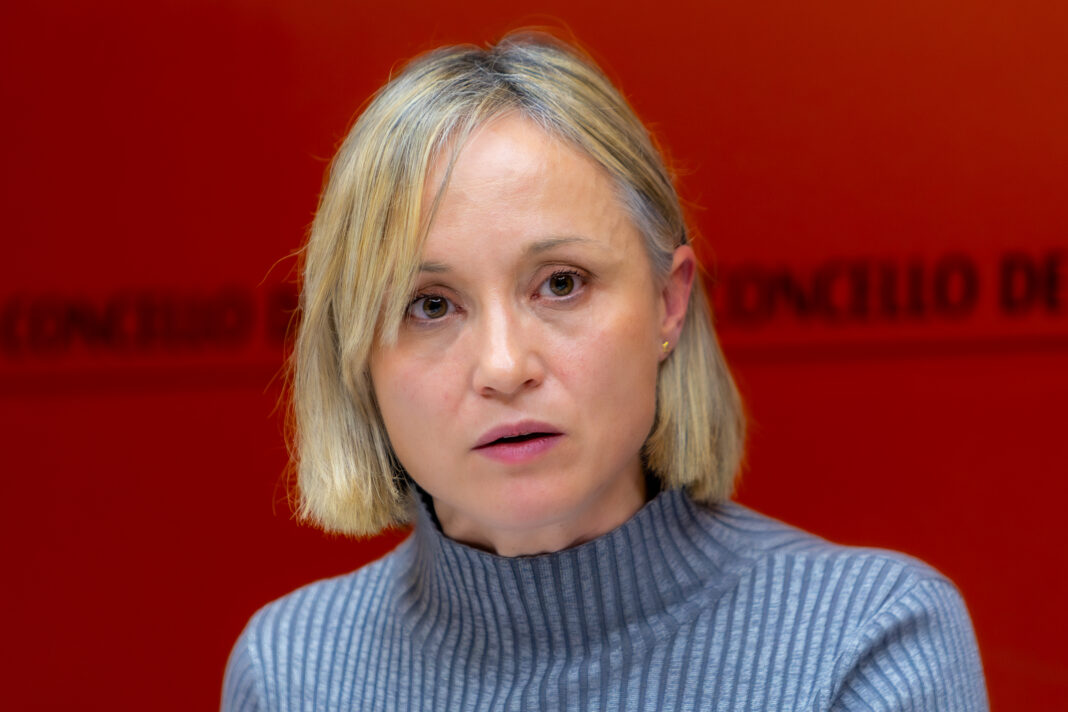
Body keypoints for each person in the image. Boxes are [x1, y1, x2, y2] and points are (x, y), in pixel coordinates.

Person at [222, 31, 987, 711]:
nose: (503, 367)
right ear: (356, 351)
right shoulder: (291, 672)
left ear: (668, 303)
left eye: (561, 283)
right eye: (430, 305)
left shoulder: (867, 641)